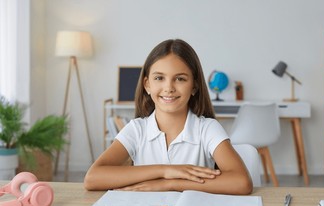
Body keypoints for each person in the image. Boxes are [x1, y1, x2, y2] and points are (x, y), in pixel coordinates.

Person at [84, 39, 252, 194]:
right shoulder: (136, 129)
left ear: (194, 86)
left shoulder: (207, 128)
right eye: (159, 78)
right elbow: (92, 178)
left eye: (180, 79)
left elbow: (242, 182)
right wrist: (165, 170)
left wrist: (170, 183)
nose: (169, 87)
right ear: (147, 85)